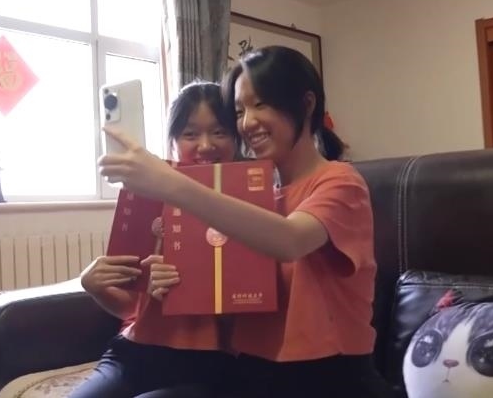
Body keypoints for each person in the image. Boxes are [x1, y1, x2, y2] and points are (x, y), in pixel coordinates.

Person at [99, 46, 393, 398]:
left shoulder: (341, 182)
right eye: (239, 111)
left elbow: (290, 240)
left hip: (330, 378)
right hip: (251, 375)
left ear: (306, 104)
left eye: (260, 104)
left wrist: (170, 183)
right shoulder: (254, 199)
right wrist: (159, 281)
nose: (247, 122)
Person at [70, 81, 239, 398]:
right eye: (190, 134)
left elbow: (256, 304)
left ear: (236, 136)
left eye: (219, 132)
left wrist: (193, 282)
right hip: (134, 352)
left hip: (212, 363)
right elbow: (130, 307)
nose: (205, 145)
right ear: (173, 140)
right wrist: (93, 286)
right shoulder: (147, 194)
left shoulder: (254, 203)